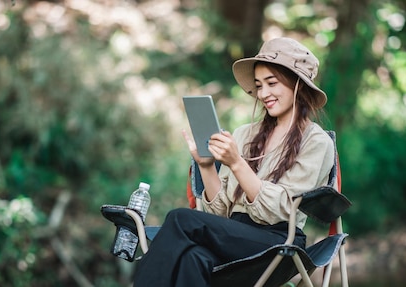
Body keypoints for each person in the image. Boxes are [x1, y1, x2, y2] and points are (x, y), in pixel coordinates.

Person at [132, 37, 335, 286]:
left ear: (298, 85)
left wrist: (237, 163)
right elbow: (220, 213)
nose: (263, 93)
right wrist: (207, 166)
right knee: (192, 257)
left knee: (181, 218)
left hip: (280, 240)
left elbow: (282, 210)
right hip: (235, 235)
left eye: (271, 83)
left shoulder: (316, 141)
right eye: (259, 85)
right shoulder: (245, 134)